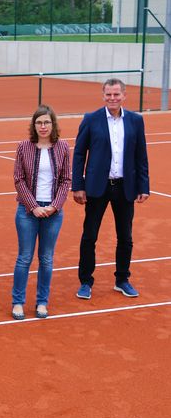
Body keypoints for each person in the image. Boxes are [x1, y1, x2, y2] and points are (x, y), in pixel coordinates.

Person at [72, 78, 150, 300]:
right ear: (103, 95)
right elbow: (79, 154)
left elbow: (141, 156)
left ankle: (122, 279)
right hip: (98, 186)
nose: (112, 98)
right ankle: (86, 281)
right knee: (90, 236)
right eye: (108, 95)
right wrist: (78, 185)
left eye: (116, 94)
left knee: (125, 236)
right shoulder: (91, 119)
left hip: (125, 187)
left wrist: (144, 185)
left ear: (124, 95)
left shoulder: (136, 120)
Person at [11, 105, 72, 320]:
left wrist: (54, 206)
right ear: (33, 125)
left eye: (46, 122)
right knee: (24, 258)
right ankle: (18, 302)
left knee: (46, 259)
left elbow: (66, 180)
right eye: (39, 123)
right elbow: (18, 179)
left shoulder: (63, 147)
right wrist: (33, 207)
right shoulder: (23, 147)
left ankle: (42, 302)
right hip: (28, 211)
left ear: (53, 124)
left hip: (54, 211)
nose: (43, 126)